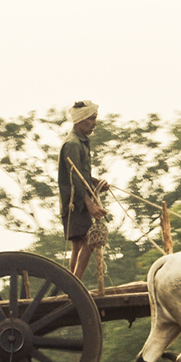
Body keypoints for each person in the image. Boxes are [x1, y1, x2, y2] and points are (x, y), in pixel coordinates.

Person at [59, 100, 109, 278]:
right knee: (90, 239)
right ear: (80, 120)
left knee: (79, 244)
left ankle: (72, 283)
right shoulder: (72, 144)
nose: (94, 123)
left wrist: (95, 182)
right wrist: (90, 204)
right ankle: (75, 284)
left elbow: (81, 174)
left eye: (95, 118)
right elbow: (74, 178)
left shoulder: (82, 142)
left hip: (78, 201)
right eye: (91, 118)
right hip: (75, 203)